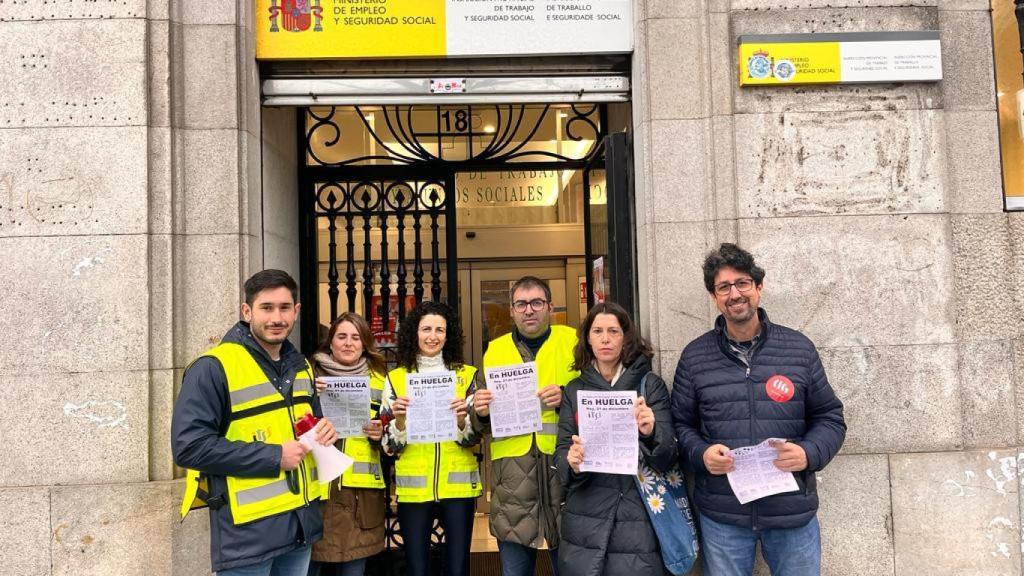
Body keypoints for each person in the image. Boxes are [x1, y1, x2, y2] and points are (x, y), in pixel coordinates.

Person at [671, 243, 846, 576]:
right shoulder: (695, 357)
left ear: (758, 287)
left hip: (791, 511)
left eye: (742, 283)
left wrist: (809, 453)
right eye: (724, 287)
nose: (734, 293)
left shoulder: (798, 348)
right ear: (714, 297)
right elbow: (680, 424)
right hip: (724, 514)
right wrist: (702, 454)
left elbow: (830, 418)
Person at [172, 269, 338, 575]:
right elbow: (189, 448)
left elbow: (307, 423)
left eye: (285, 308)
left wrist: (323, 430)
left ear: (297, 311)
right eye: (267, 308)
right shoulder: (213, 367)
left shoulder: (300, 365)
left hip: (299, 527)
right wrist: (274, 456)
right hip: (246, 539)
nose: (277, 318)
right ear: (247, 311)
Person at [554, 302, 676, 576]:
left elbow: (669, 454)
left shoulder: (649, 384)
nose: (605, 339)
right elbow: (561, 450)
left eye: (613, 331)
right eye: (597, 331)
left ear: (626, 337)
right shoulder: (574, 390)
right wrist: (570, 462)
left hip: (638, 514)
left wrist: (651, 431)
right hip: (585, 516)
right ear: (587, 338)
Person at [470, 276, 578, 576]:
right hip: (513, 485)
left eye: (536, 303)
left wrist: (566, 397)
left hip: (564, 477)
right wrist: (480, 411)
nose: (528, 310)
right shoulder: (495, 350)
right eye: (521, 304)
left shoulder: (573, 343)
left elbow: (598, 397)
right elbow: (481, 424)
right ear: (512, 310)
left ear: (550, 307)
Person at [378, 301, 481, 576]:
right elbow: (388, 446)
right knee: (417, 568)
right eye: (426, 329)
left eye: (439, 330)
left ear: (448, 336)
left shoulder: (466, 376)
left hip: (459, 488)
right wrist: (399, 421)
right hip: (414, 489)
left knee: (458, 568)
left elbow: (474, 438)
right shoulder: (396, 379)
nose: (432, 336)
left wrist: (462, 420)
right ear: (415, 333)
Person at [309, 313, 388, 576]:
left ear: (365, 343)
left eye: (355, 337)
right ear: (330, 342)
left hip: (360, 497)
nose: (348, 343)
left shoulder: (381, 380)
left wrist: (381, 433)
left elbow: (396, 438)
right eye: (341, 336)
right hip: (319, 494)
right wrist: (312, 399)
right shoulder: (308, 377)